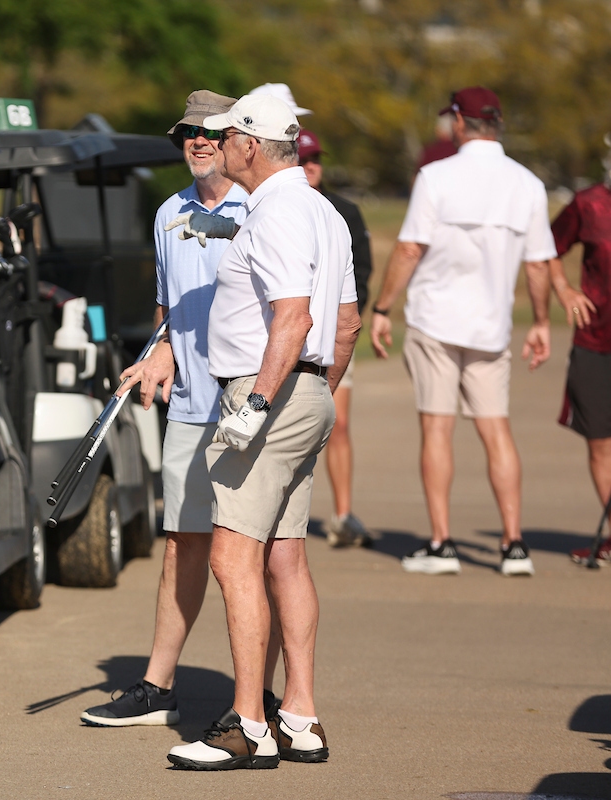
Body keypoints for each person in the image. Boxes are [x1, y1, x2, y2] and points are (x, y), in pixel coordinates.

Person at [164, 94, 360, 771]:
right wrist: (312, 397)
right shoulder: (323, 209)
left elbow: (294, 318)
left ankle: (248, 723)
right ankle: (300, 716)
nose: (216, 143)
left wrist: (258, 405)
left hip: (265, 391)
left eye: (227, 134)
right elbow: (350, 323)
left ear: (250, 144)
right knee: (285, 556)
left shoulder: (276, 210)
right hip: (305, 394)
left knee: (233, 557)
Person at [80, 90, 249, 727]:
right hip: (189, 408)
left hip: (248, 409)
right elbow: (168, 306)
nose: (197, 143)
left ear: (238, 138)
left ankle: (260, 701)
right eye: (187, 134)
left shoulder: (261, 206)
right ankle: (157, 687)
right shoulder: (168, 211)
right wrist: (159, 353)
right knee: (183, 543)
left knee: (255, 551)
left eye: (209, 133)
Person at [370, 87, 554, 577]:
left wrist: (383, 307)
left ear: (459, 121)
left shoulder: (436, 176)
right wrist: (539, 321)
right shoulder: (529, 184)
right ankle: (514, 545)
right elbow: (538, 264)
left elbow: (409, 249)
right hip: (490, 325)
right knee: (497, 431)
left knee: (437, 427)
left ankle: (441, 543)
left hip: (435, 318)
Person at [298, 130, 375, 548]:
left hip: (333, 334)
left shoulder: (343, 210)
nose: (311, 166)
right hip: (287, 335)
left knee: (336, 422)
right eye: (303, 158)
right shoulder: (275, 208)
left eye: (316, 159)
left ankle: (343, 514)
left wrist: (339, 314)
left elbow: (361, 271)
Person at [547, 136, 611, 563]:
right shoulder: (589, 203)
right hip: (596, 341)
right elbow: (547, 247)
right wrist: (564, 288)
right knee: (600, 443)